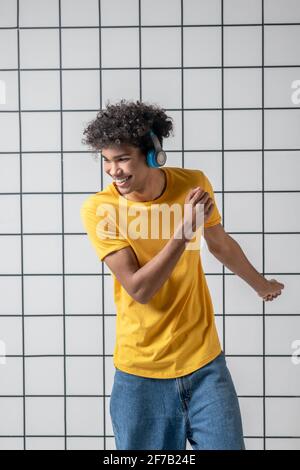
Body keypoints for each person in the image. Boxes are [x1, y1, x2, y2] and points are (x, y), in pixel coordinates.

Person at [80, 99, 285, 450]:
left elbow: (220, 244)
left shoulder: (192, 184)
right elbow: (139, 289)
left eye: (123, 158)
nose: (113, 171)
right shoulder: (100, 209)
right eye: (107, 160)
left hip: (205, 365)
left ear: (153, 154)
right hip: (140, 374)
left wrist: (261, 285)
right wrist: (184, 230)